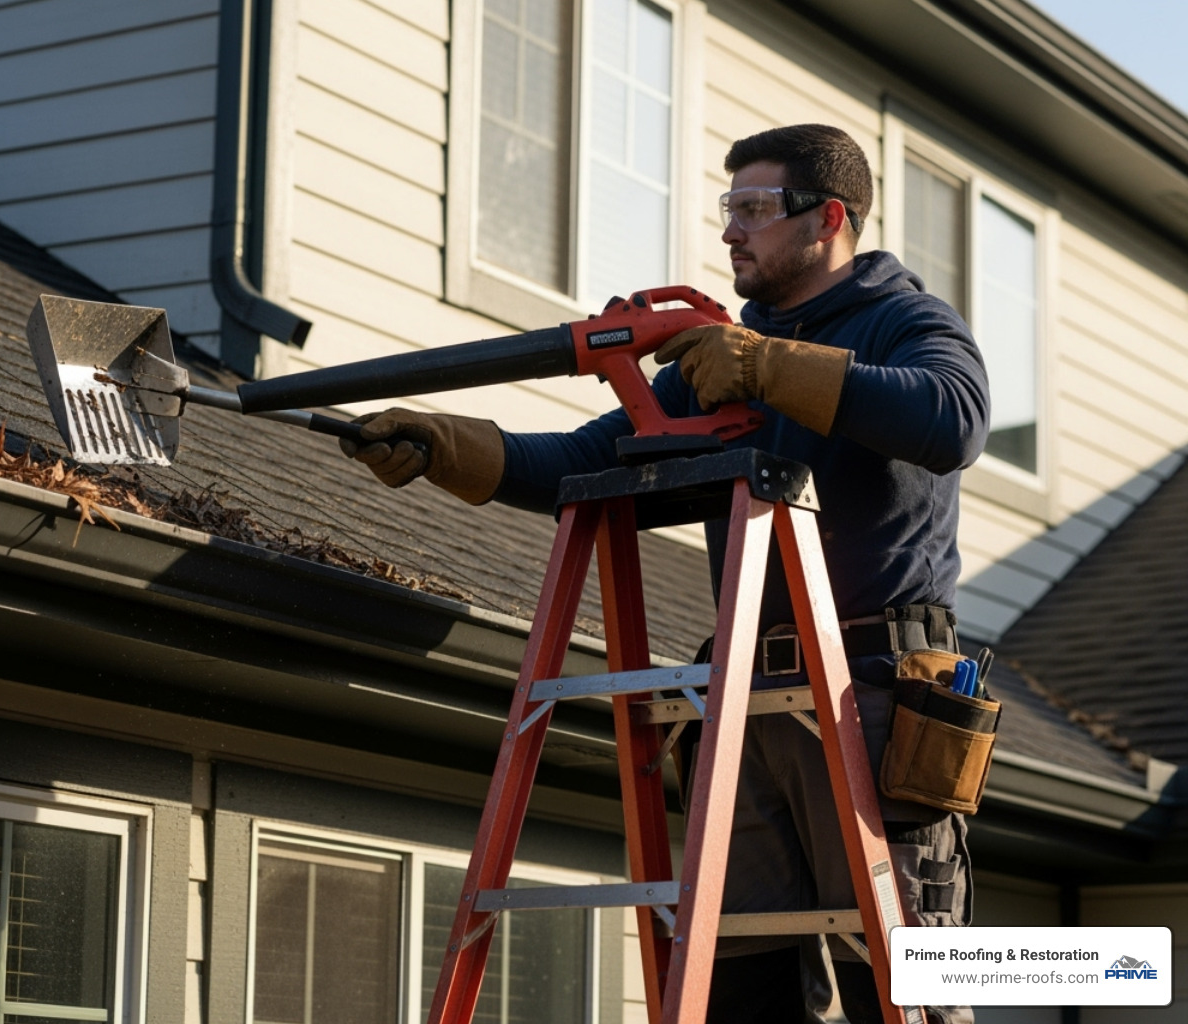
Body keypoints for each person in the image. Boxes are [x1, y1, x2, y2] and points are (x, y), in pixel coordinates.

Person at [340, 123, 989, 1023]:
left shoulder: (902, 320)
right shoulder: (724, 352)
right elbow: (599, 461)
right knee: (742, 991)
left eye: (756, 210)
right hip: (748, 704)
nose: (732, 232)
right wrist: (459, 449)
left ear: (829, 219)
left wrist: (768, 368)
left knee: (910, 989)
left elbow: (954, 419)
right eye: (729, 209)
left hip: (871, 696)